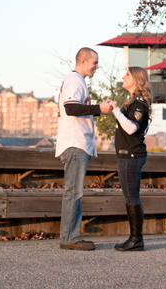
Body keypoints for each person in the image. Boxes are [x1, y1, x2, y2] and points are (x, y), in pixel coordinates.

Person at [56, 47, 113, 250]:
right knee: (74, 192)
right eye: (94, 63)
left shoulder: (76, 81)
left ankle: (72, 236)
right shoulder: (75, 81)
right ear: (82, 61)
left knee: (74, 192)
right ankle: (70, 238)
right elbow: (70, 108)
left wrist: (98, 108)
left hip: (76, 144)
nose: (96, 67)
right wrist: (99, 109)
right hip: (74, 143)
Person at [110, 66, 152, 252]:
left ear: (136, 79)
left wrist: (116, 110)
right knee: (130, 197)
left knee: (132, 197)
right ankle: (136, 239)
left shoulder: (138, 103)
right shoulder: (134, 102)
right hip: (129, 156)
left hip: (132, 156)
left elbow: (131, 128)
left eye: (127, 74)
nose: (123, 77)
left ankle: (136, 239)